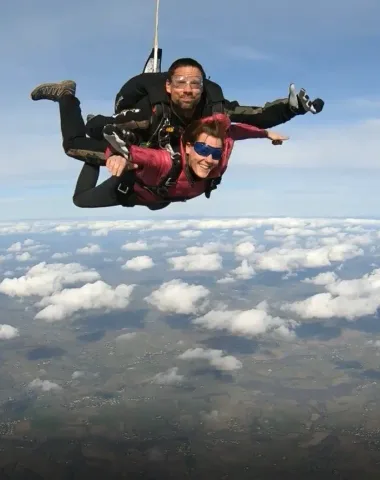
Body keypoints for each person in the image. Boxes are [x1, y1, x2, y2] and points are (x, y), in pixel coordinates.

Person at [30, 58, 323, 165]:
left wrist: (292, 108)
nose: (188, 89)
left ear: (202, 87)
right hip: (131, 133)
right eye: (180, 83)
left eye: (195, 83)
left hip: (158, 141)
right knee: (77, 144)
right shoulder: (148, 113)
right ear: (168, 86)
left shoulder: (213, 107)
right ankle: (66, 95)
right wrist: (124, 157)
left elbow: (254, 115)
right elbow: (112, 131)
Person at [72, 113, 288, 211]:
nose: (209, 159)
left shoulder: (220, 155)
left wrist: (267, 133)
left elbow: (235, 131)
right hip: (133, 188)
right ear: (188, 147)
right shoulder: (163, 161)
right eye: (202, 149)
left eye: (216, 152)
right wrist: (114, 157)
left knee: (158, 205)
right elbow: (126, 151)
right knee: (81, 200)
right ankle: (91, 145)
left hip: (161, 195)